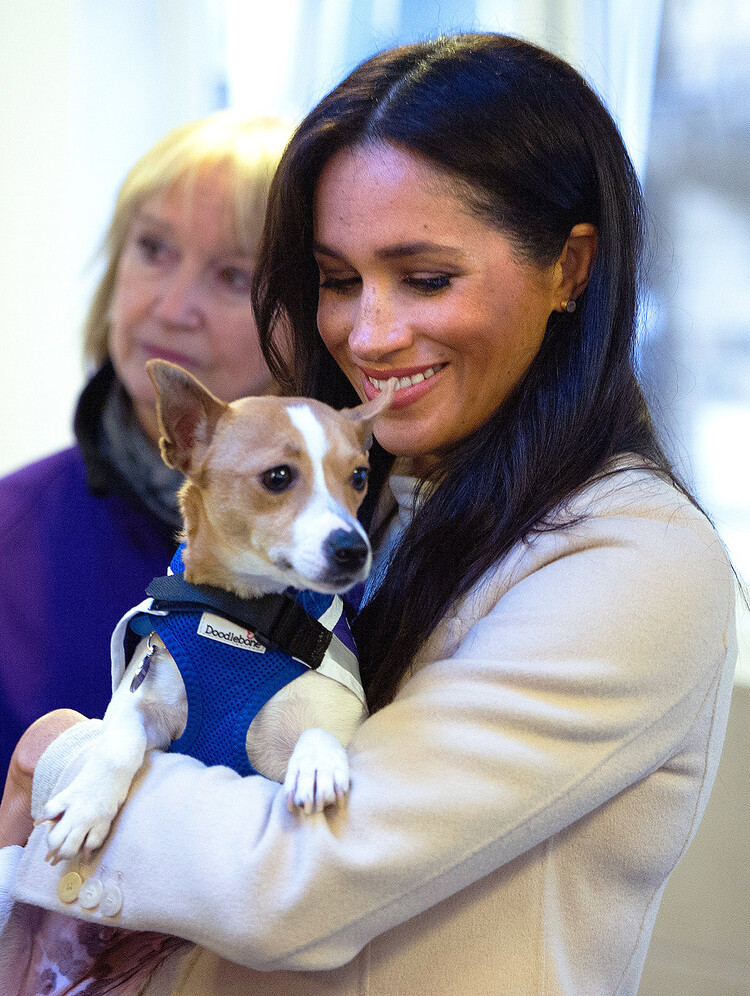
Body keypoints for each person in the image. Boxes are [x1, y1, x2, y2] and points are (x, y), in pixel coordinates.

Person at [0, 33, 737, 995]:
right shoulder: (376, 499)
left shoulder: (635, 563)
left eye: (426, 279)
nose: (370, 335)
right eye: (339, 281)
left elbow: (301, 877)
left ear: (570, 268)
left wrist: (63, 761)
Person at [0, 113, 291, 779]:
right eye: (154, 249)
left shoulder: (368, 543)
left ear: (300, 319)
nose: (171, 306)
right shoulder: (9, 534)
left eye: (232, 276)